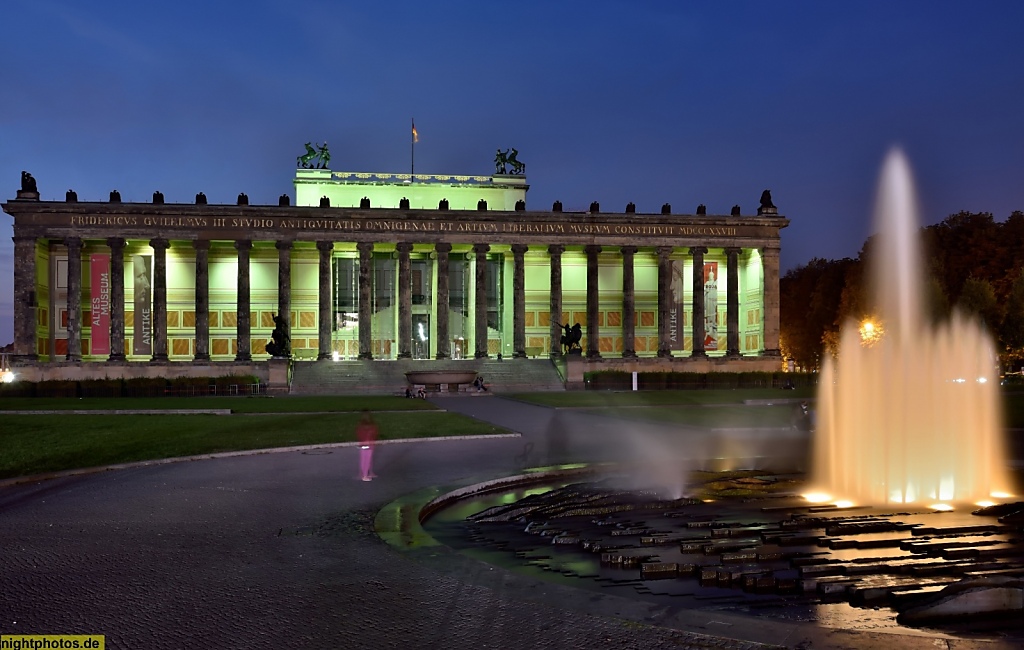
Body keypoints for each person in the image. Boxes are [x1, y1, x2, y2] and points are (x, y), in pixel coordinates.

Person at [356, 410, 378, 481]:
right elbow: (374, 433)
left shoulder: (360, 425)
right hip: (369, 443)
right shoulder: (372, 426)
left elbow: (358, 433)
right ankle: (365, 475)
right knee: (368, 459)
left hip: (362, 443)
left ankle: (364, 473)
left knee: (363, 459)